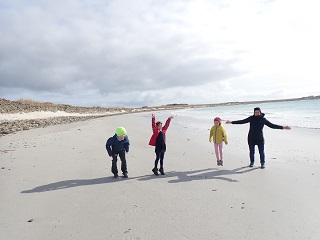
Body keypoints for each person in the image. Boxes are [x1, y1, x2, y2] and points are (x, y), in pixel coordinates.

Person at [226, 107, 291, 169]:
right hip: (251, 138)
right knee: (251, 152)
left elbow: (272, 125)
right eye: (255, 112)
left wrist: (283, 127)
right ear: (254, 113)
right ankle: (252, 162)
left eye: (258, 112)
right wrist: (231, 122)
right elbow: (242, 121)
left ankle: (262, 163)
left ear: (260, 112)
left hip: (260, 138)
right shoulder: (251, 118)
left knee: (261, 152)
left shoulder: (263, 119)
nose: (256, 113)